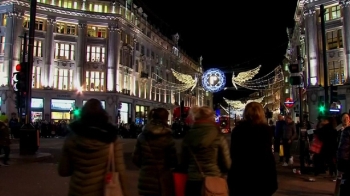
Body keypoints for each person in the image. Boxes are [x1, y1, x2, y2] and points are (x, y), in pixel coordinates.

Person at [58, 99, 129, 196]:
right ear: (103, 115)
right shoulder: (111, 140)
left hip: (77, 191)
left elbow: (63, 171)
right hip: (102, 191)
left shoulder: (72, 138)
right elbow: (120, 172)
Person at [227, 102, 277, 196]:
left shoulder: (238, 130)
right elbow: (267, 155)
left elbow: (233, 154)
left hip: (241, 176)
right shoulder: (265, 130)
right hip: (262, 176)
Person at [180, 106, 231, 196]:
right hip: (213, 182)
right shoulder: (218, 136)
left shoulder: (188, 136)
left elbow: (183, 162)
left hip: (193, 182)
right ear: (211, 118)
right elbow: (227, 164)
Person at [132, 107, 177, 196]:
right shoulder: (168, 137)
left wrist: (146, 167)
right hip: (163, 179)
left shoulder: (142, 136)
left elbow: (135, 159)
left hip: (146, 178)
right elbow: (173, 161)